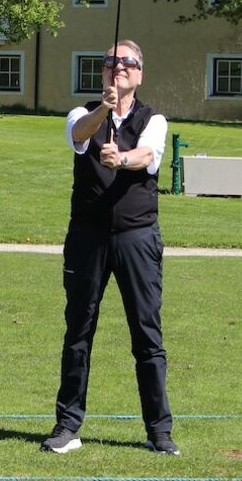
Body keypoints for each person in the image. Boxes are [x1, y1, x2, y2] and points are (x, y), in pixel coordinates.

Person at [45, 39, 178, 456]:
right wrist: (103, 110)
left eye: (126, 62)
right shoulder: (84, 113)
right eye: (109, 62)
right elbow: (78, 135)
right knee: (78, 331)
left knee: (147, 335)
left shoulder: (153, 119)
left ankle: (159, 431)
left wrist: (120, 158)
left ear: (139, 74)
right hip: (87, 236)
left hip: (137, 237)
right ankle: (68, 426)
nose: (117, 67)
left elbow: (147, 155)